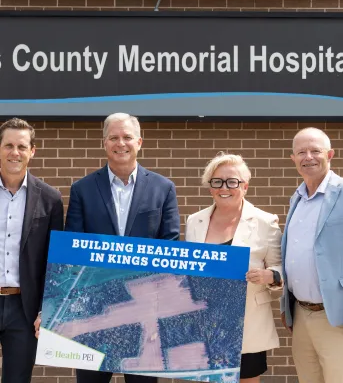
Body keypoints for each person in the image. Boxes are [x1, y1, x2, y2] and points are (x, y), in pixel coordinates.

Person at [64, 112, 180, 383]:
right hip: (96, 311)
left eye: (127, 137)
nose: (121, 143)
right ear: (104, 143)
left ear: (140, 141)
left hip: (145, 311)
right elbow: (72, 249)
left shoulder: (163, 188)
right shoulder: (82, 189)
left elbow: (170, 244)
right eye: (114, 137)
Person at [186, 153, 282, 383]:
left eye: (232, 181)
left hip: (246, 322)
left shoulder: (264, 222)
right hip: (205, 323)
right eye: (217, 181)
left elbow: (281, 268)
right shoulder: (194, 221)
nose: (224, 187)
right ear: (210, 187)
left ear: (245, 186)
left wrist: (269, 275)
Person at [0, 117, 63, 383]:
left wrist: (46, 308)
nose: (15, 152)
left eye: (22, 146)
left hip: (24, 309)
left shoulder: (50, 198)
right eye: (9, 145)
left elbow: (54, 259)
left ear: (32, 151)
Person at [280, 127, 343, 383]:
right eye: (301, 152)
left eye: (315, 150)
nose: (309, 157)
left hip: (335, 316)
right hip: (301, 315)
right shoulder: (297, 199)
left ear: (330, 154)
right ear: (293, 158)